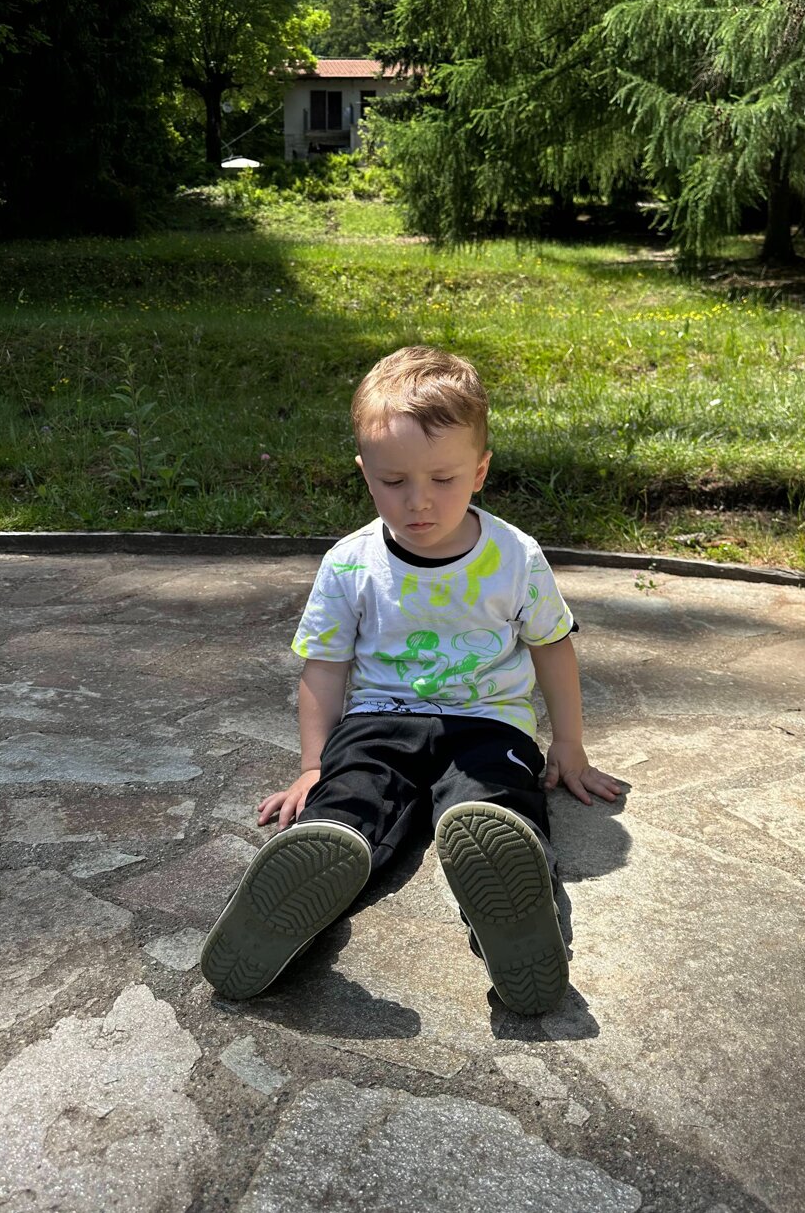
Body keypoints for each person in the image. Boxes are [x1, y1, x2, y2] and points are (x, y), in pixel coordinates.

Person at [200, 345, 622, 1014]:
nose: (418, 500)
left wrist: (569, 744)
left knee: (495, 808)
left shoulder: (516, 556)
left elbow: (552, 646)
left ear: (479, 471)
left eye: (443, 479)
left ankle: (518, 920)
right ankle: (289, 895)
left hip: (490, 724)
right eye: (393, 480)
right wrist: (313, 765)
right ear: (365, 472)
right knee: (349, 798)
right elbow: (325, 667)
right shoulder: (350, 563)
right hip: (378, 722)